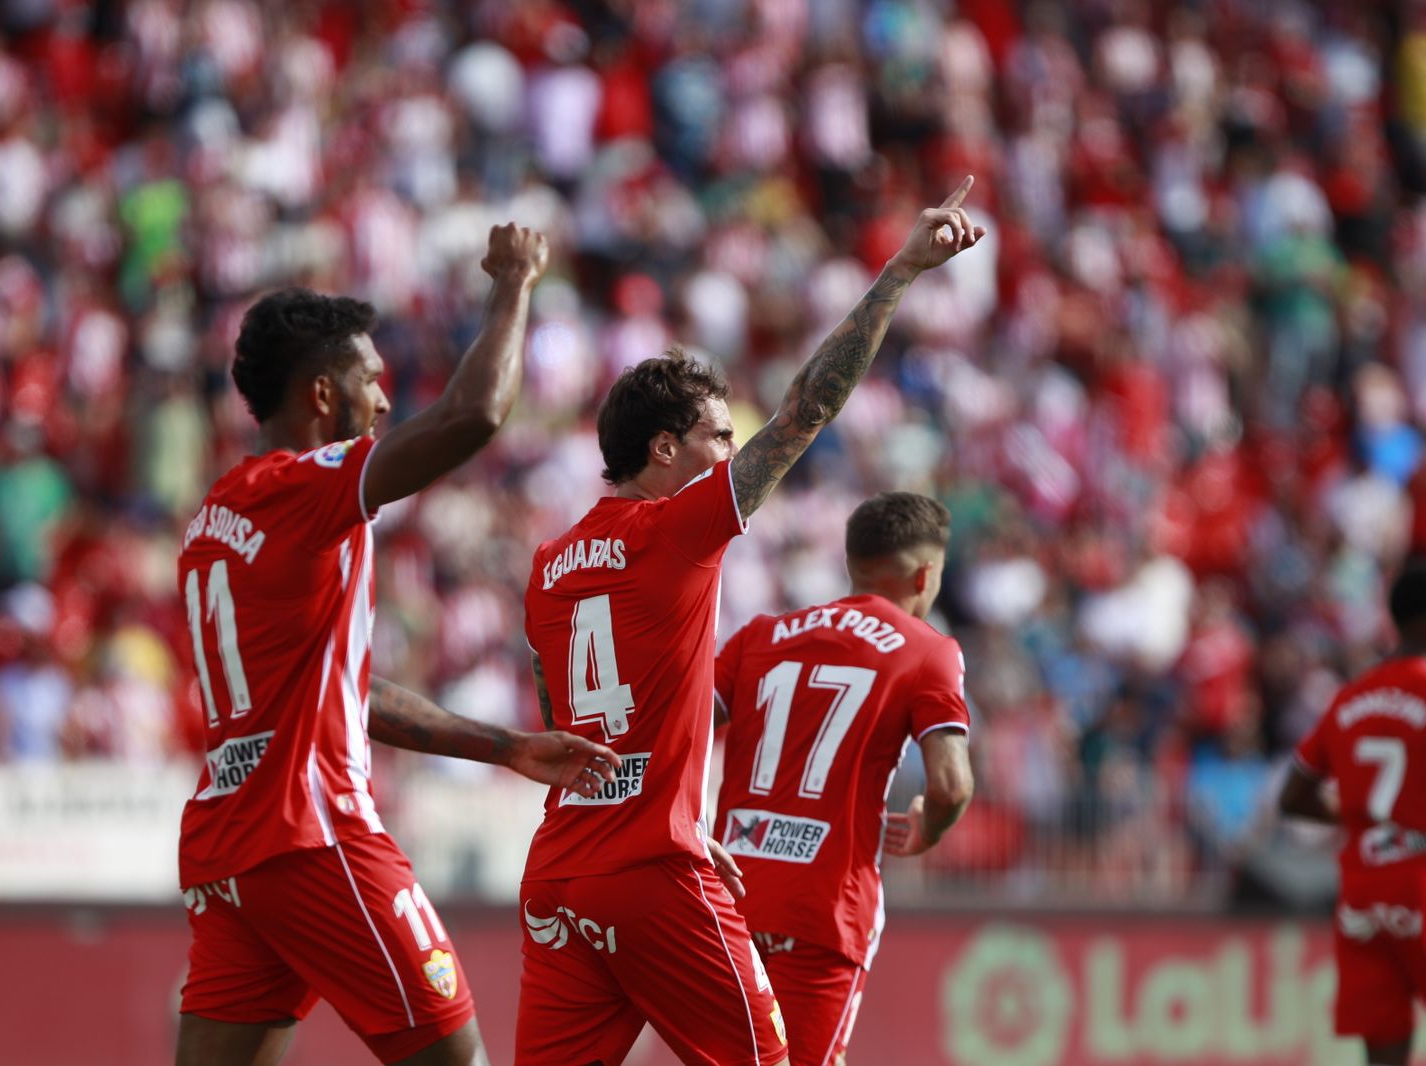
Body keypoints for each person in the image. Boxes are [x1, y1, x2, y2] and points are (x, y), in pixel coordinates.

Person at [515, 178, 985, 1066]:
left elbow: (565, 721)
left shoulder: (547, 567)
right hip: (654, 874)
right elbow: (808, 408)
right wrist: (899, 273)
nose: (732, 453)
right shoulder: (677, 530)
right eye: (717, 437)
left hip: (561, 874)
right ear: (665, 451)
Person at [175, 225, 624, 1066]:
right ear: (319, 394)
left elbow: (348, 692)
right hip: (314, 837)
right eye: (371, 381)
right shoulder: (305, 489)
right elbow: (474, 415)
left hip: (228, 851)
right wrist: (514, 284)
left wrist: (507, 746)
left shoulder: (216, 516)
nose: (384, 401)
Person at [712, 492, 973, 1066]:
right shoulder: (928, 652)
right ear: (925, 574)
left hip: (727, 900)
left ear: (853, 564)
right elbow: (952, 784)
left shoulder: (760, 635)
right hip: (824, 910)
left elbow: (676, 725)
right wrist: (930, 823)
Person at [1277, 559, 1426, 1066]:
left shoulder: (1349, 698)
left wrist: (1359, 817)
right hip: (1425, 877)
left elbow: (1293, 797)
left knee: (1384, 1054)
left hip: (1362, 891)